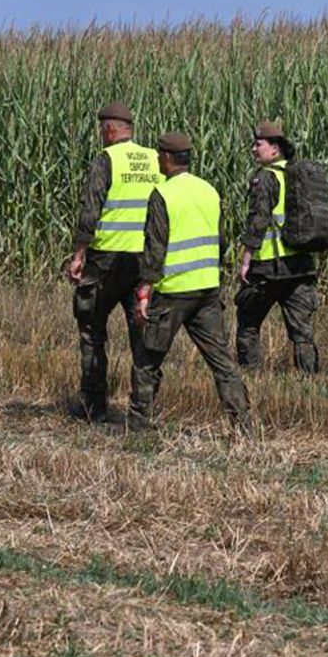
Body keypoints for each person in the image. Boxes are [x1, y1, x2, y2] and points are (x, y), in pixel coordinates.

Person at [129, 133, 255, 434]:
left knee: (148, 359)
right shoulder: (209, 190)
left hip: (173, 291)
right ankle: (243, 425)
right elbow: (221, 240)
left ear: (167, 158)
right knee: (222, 362)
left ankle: (138, 425)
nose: (157, 159)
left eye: (159, 155)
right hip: (207, 289)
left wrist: (144, 290)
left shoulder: (163, 194)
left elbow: (155, 247)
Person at [65, 101, 163, 421]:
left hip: (106, 261)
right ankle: (144, 407)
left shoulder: (106, 159)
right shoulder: (154, 159)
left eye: (100, 128)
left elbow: (90, 209)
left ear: (109, 128)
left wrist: (79, 254)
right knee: (142, 334)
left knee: (92, 330)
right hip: (143, 261)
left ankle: (94, 405)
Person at [235, 120, 320, 374]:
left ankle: (252, 376)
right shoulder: (299, 176)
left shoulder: (265, 178)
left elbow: (258, 221)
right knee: (302, 332)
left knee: (248, 324)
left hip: (269, 267)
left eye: (258, 144)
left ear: (275, 149)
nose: (253, 149)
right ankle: (309, 380)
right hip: (301, 265)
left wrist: (246, 259)